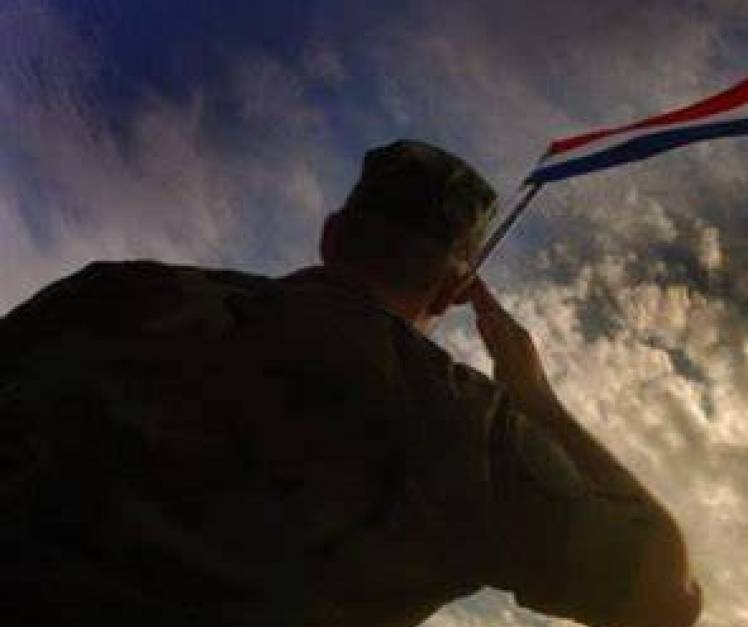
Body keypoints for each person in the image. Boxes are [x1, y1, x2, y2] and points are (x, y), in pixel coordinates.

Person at [0, 140, 702, 627]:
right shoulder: (467, 430)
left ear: (332, 234)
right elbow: (662, 598)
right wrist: (533, 396)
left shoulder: (117, 295)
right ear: (453, 289)